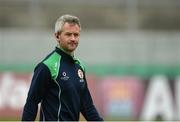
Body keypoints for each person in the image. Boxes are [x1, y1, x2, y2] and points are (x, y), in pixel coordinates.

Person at [22, 14, 103, 121]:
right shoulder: (47, 66)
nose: (73, 39)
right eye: (68, 34)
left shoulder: (79, 67)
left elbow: (87, 106)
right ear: (57, 36)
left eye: (76, 35)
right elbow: (31, 103)